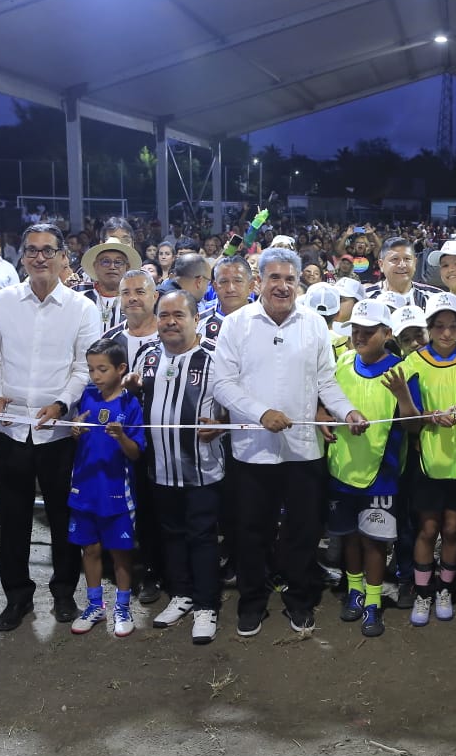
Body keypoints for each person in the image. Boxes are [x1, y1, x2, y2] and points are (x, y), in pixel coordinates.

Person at [213, 247, 366, 636]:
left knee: (302, 530)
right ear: (258, 281)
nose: (282, 286)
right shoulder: (237, 324)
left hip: (302, 450)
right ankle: (252, 602)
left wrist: (347, 411)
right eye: (274, 278)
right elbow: (223, 384)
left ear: (299, 283)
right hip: (252, 450)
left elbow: (326, 381)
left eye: (289, 279)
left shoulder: (314, 324)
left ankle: (299, 600)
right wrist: (261, 413)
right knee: (252, 530)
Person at [0, 224, 100, 631]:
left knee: (61, 515)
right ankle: (17, 596)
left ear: (62, 257)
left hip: (58, 431)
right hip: (12, 427)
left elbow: (84, 367)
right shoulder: (2, 302)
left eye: (47, 250)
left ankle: (64, 592)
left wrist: (62, 403)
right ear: (22, 257)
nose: (39, 257)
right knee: (14, 517)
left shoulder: (81, 308)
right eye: (31, 250)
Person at [134, 290, 227, 644]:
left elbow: (234, 407)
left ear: (196, 319)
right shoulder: (147, 355)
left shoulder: (214, 358)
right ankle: (182, 594)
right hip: (159, 468)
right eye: (164, 315)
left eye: (179, 315)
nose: (170, 322)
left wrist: (221, 425)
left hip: (202, 469)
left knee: (201, 536)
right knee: (171, 533)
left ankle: (206, 605)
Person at [327, 299, 423, 638]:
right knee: (349, 536)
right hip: (342, 466)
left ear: (387, 333)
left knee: (374, 541)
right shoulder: (341, 362)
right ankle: (354, 590)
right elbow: (324, 404)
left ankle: (372, 601)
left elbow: (414, 426)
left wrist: (403, 396)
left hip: (382, 474)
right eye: (355, 330)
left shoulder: (403, 370)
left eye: (368, 331)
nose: (359, 337)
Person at [403, 291, 456, 627]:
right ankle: (423, 592)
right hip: (429, 459)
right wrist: (430, 416)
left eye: (453, 326)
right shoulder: (414, 362)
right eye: (439, 326)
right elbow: (408, 417)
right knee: (428, 529)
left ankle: (444, 589)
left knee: (452, 529)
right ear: (429, 328)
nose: (446, 333)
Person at [66, 339, 144, 638]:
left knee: (120, 552)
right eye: (91, 369)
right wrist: (75, 430)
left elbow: (135, 453)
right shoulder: (86, 396)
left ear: (121, 368)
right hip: (84, 489)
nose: (95, 376)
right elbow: (79, 436)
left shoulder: (130, 404)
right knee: (90, 548)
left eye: (102, 369)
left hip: (115, 493)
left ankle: (122, 607)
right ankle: (95, 605)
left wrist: (121, 437)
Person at [75, 238, 141, 331]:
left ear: (127, 267)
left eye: (118, 262)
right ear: (95, 266)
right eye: (105, 262)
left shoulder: (137, 299)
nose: (112, 267)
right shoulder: (78, 293)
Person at [364, 237, 440, 309]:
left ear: (415, 263)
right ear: (381, 264)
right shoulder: (365, 298)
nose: (402, 265)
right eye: (395, 259)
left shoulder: (434, 298)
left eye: (407, 259)